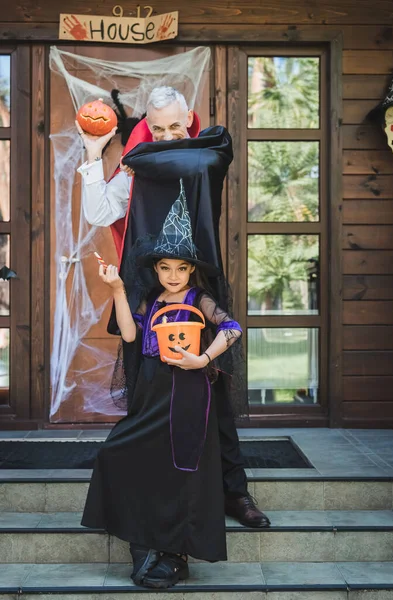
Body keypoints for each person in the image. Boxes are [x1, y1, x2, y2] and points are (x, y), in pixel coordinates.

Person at [76, 86, 270, 529]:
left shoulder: (206, 155)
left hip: (199, 292)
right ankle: (155, 496)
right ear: (147, 125)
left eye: (175, 127)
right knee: (149, 396)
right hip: (147, 294)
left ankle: (233, 492)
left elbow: (200, 153)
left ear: (191, 121)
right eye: (157, 129)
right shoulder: (137, 167)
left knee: (213, 396)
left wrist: (138, 157)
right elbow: (98, 212)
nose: (166, 137)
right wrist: (93, 153)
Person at [81, 183, 242, 588]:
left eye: (181, 268)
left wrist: (203, 358)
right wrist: (117, 289)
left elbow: (232, 328)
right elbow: (132, 337)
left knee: (182, 469)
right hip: (152, 391)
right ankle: (143, 543)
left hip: (188, 390)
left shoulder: (199, 298)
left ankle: (174, 551)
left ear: (191, 270)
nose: (173, 276)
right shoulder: (149, 299)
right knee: (117, 454)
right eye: (165, 268)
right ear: (156, 270)